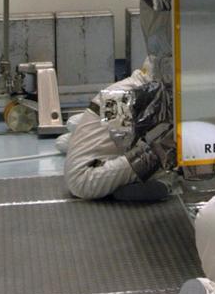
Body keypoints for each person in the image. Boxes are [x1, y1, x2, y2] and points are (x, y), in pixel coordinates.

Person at [61, 68, 174, 202]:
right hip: (85, 177)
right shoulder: (125, 95)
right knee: (158, 155)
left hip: (91, 162)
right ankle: (165, 182)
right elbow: (127, 145)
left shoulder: (128, 87)